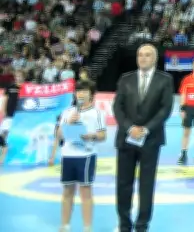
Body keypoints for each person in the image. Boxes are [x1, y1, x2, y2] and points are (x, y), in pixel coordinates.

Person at [113, 43, 175, 232]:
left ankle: (142, 225)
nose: (143, 58)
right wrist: (129, 128)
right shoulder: (125, 79)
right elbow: (117, 107)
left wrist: (146, 129)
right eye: (140, 54)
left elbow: (165, 109)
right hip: (126, 139)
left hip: (151, 140)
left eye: (147, 55)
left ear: (154, 58)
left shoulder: (165, 80)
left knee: (146, 185)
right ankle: (124, 224)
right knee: (123, 184)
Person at [54, 80, 106, 232]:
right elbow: (58, 134)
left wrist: (91, 136)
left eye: (84, 91)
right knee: (67, 191)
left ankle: (87, 227)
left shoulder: (97, 113)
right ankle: (65, 225)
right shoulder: (67, 112)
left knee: (85, 192)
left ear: (91, 94)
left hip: (86, 155)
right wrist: (68, 123)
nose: (80, 94)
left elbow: (102, 135)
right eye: (78, 91)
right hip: (68, 155)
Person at [0, 70, 23, 165]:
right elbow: (5, 98)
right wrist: (3, 110)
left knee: (6, 133)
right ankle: (3, 153)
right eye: (17, 76)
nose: (18, 78)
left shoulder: (25, 87)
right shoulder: (10, 87)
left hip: (19, 115)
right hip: (9, 114)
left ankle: (3, 154)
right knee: (3, 133)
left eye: (20, 76)